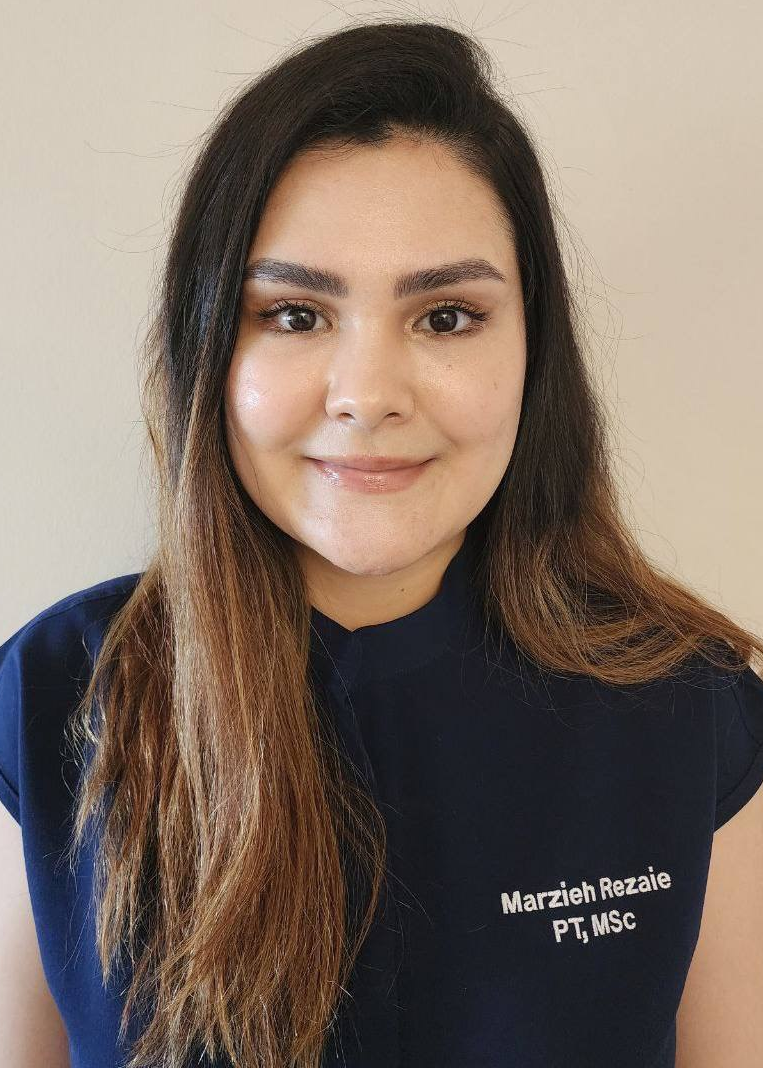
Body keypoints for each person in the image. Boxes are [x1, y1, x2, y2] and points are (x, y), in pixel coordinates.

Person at [1, 18, 762, 1068]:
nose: (367, 395)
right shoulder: (55, 692)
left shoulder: (692, 704)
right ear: (207, 346)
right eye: (294, 315)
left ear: (533, 351)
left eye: (445, 316)